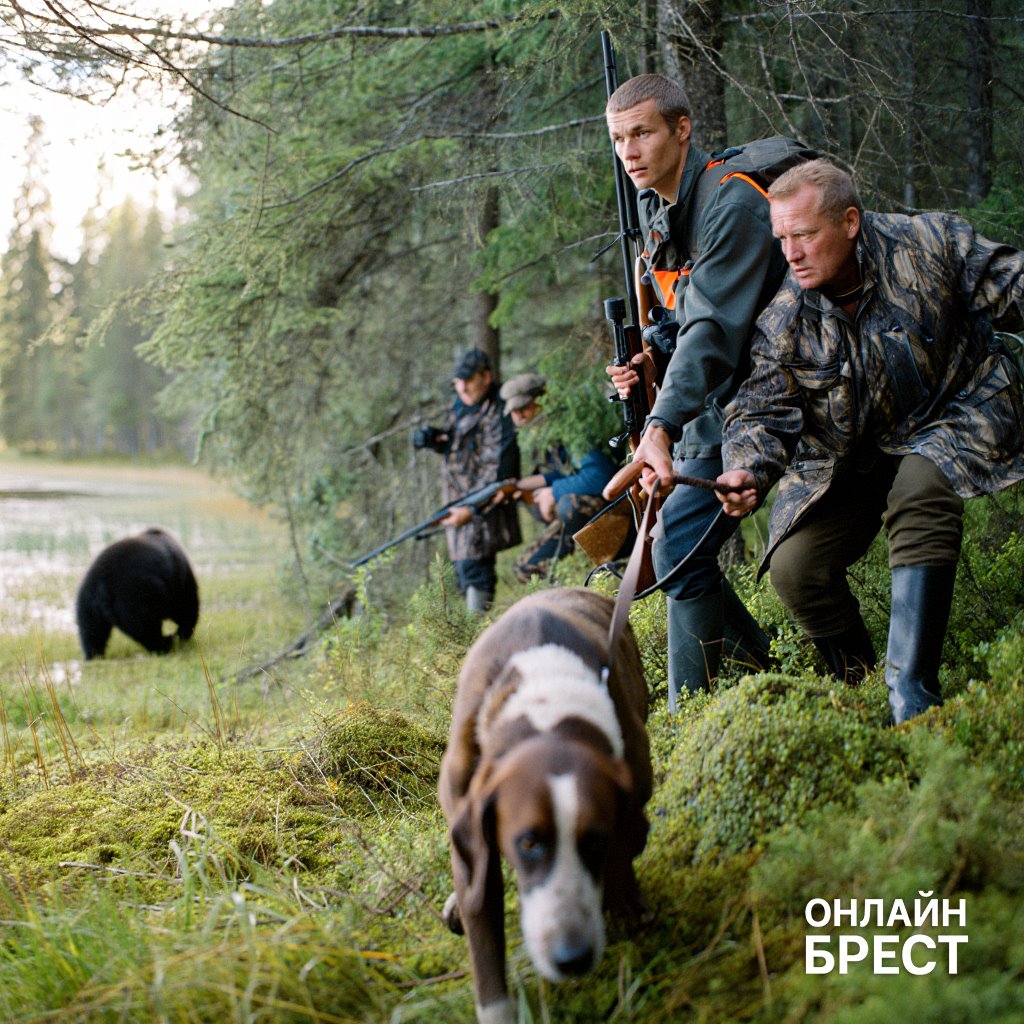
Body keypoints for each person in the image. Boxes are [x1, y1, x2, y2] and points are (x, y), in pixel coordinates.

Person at [714, 158, 1024, 724]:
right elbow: (759, 411)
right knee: (793, 567)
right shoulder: (785, 317)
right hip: (852, 457)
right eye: (782, 237)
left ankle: (912, 699)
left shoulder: (930, 244)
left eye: (804, 234)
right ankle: (858, 691)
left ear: (850, 222)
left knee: (920, 488)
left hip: (958, 409)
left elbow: (1013, 283)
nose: (791, 252)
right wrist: (747, 470)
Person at [604, 73, 780, 706]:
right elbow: (685, 321)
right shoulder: (660, 209)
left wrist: (660, 424)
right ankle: (767, 676)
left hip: (777, 399)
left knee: (682, 543)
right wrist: (649, 355)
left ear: (682, 130)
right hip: (716, 405)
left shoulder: (731, 203)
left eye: (642, 133)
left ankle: (689, 715)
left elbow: (712, 330)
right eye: (619, 138)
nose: (629, 152)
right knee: (675, 542)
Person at [414, 348, 521, 613]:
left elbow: (498, 471)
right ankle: (472, 636)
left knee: (476, 570)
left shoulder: (498, 410)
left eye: (467, 380)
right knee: (464, 571)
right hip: (458, 502)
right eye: (457, 382)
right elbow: (460, 444)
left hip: (484, 505)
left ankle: (478, 635)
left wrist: (471, 509)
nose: (461, 387)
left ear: (486, 377)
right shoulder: (460, 406)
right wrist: (435, 439)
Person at [499, 372, 621, 582]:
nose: (519, 416)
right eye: (513, 411)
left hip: (621, 506)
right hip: (595, 509)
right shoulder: (548, 431)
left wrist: (553, 491)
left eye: (524, 407)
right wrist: (532, 483)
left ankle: (601, 569)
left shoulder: (572, 425)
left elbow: (597, 476)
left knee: (568, 504)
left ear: (544, 399)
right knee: (524, 568)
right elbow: (570, 469)